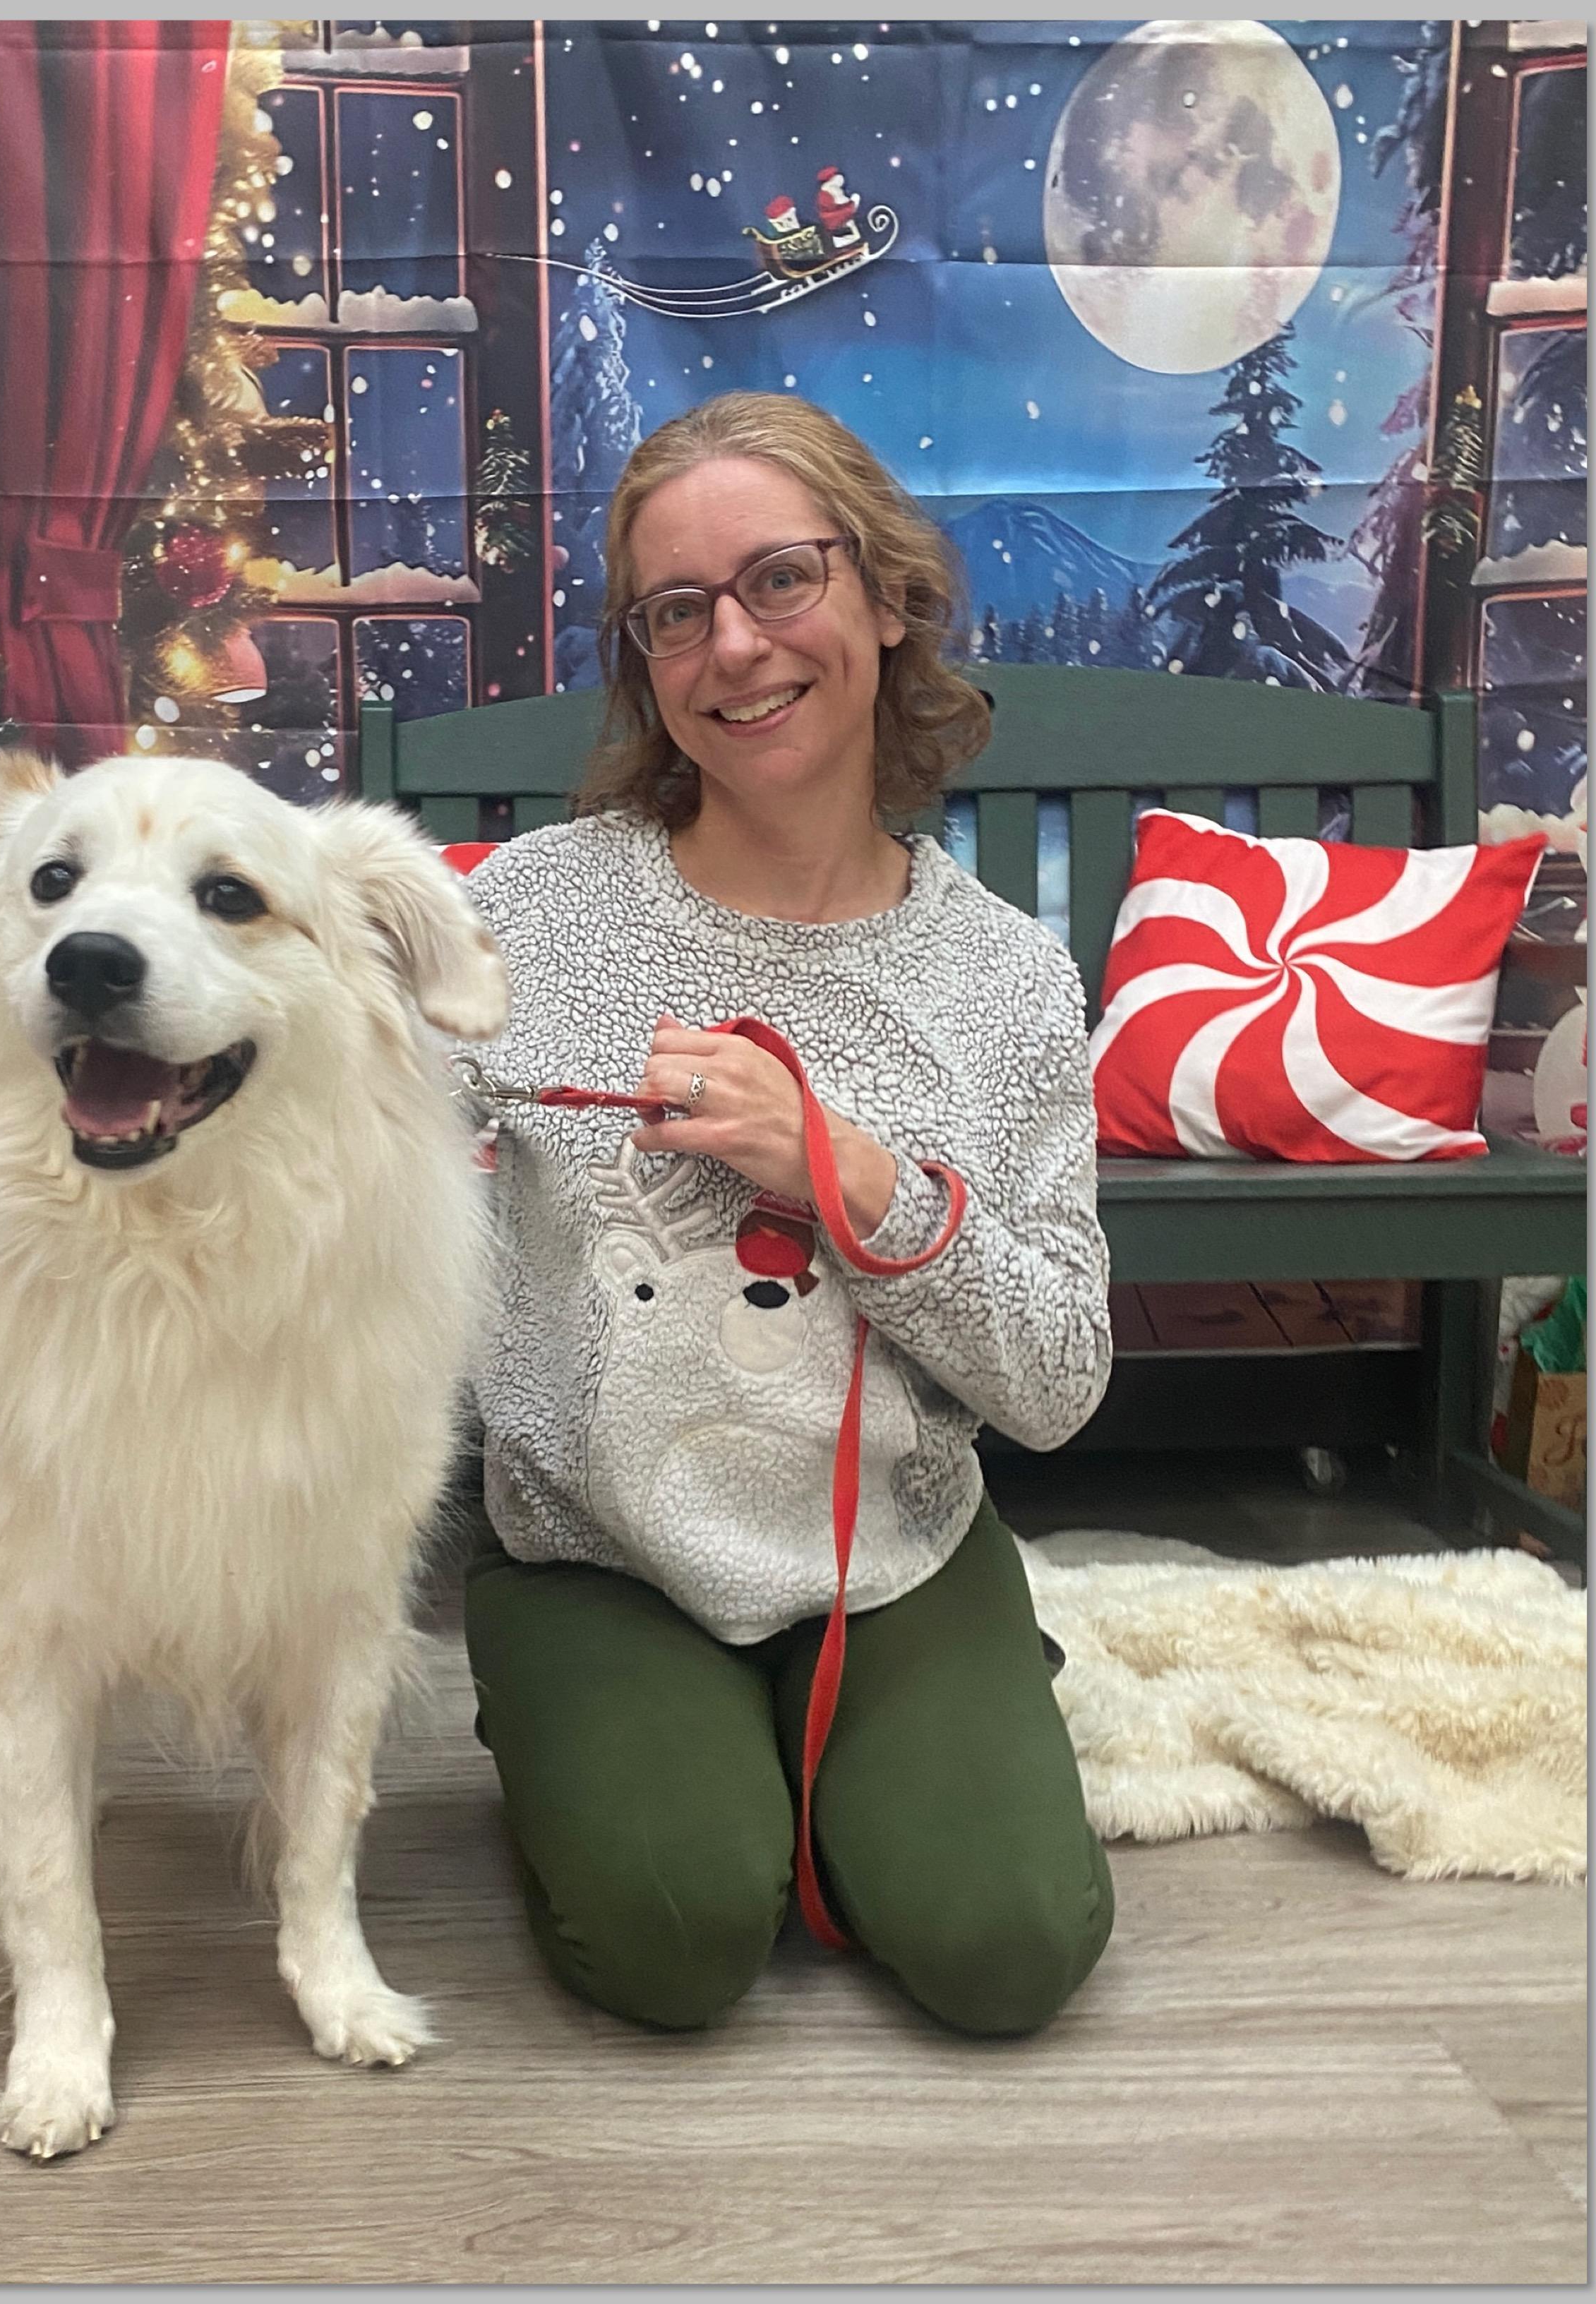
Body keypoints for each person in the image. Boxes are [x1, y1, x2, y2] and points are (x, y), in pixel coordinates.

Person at [455, 391, 1115, 2039]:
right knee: (673, 1940)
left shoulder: (1006, 980)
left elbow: (1059, 1378)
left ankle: (947, 1699)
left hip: (894, 1548)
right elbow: (323, 1175)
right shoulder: (519, 920)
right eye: (677, 612)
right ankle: (582, 1721)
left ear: (888, 600)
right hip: (599, 1549)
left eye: (780, 582)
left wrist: (853, 1179)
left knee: (1009, 1948)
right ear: (646, 664)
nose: (734, 647)